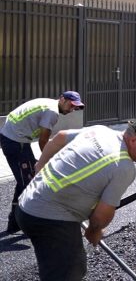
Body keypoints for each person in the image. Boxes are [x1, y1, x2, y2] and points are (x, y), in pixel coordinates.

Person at [16, 115, 136, 281]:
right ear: (133, 140)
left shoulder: (99, 131)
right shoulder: (124, 167)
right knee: (71, 270)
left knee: (56, 266)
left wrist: (40, 166)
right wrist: (94, 231)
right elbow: (101, 216)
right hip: (49, 219)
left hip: (26, 204)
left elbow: (59, 138)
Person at [0, 91, 85, 234]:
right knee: (30, 185)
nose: (71, 110)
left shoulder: (49, 103)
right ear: (62, 99)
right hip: (15, 141)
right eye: (71, 105)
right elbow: (43, 141)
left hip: (16, 137)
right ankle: (30, 224)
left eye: (75, 108)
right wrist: (49, 161)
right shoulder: (52, 112)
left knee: (26, 179)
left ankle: (14, 224)